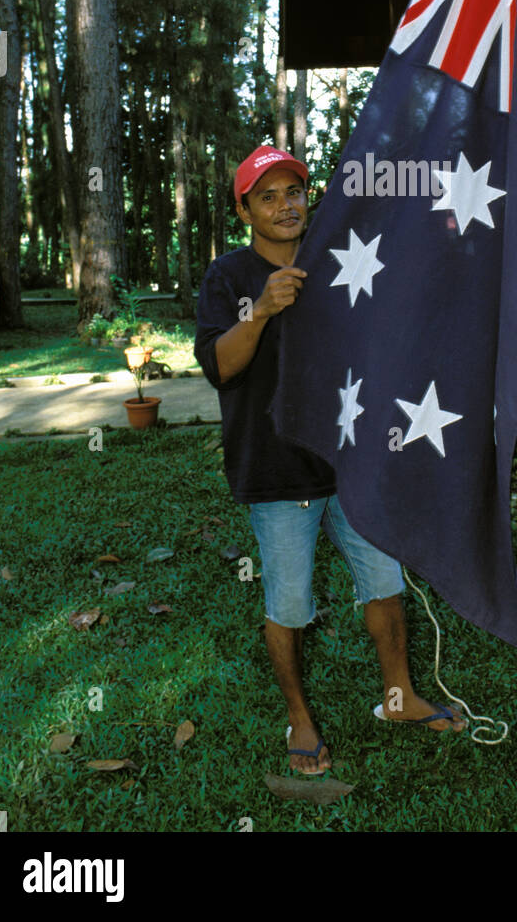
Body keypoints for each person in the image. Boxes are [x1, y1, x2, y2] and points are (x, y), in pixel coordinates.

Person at [194, 145, 465, 775]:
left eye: (294, 192)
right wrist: (261, 310)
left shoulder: (343, 261)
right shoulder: (228, 277)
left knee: (386, 584)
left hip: (350, 464)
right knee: (289, 606)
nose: (286, 206)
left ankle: (398, 697)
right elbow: (219, 367)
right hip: (275, 469)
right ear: (245, 210)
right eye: (269, 196)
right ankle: (299, 718)